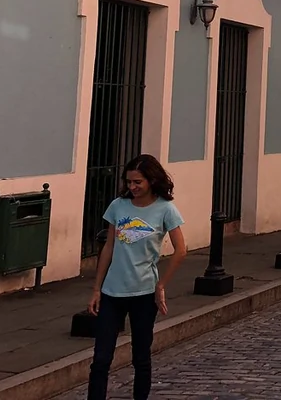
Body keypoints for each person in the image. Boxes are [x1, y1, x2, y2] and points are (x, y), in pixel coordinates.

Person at [87, 154, 186, 400]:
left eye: (138, 182)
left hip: (144, 293)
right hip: (112, 293)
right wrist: (97, 288)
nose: (132, 187)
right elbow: (108, 247)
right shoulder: (118, 206)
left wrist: (161, 284)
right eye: (129, 182)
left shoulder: (165, 209)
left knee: (140, 357)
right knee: (100, 360)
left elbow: (181, 250)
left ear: (151, 180)